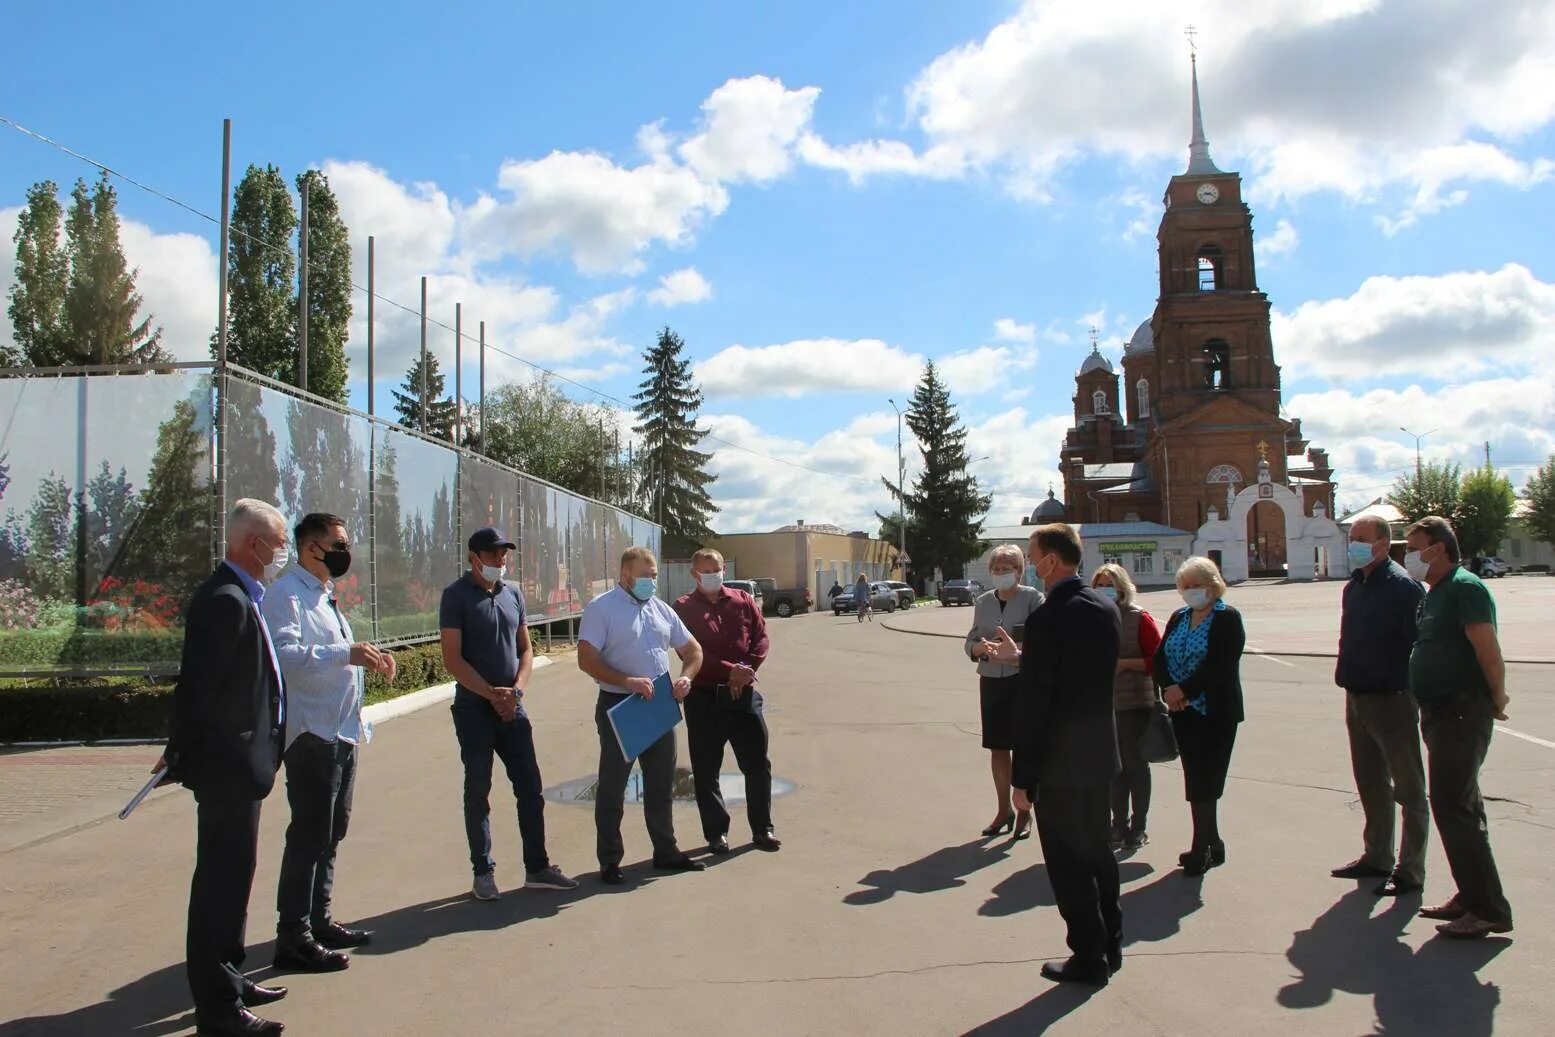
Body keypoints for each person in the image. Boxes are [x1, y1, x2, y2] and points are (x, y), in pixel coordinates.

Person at [156, 499, 291, 1037]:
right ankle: (217, 1010)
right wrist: (181, 753)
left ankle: (232, 979)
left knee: (236, 879)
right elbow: (198, 690)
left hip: (242, 765)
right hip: (226, 768)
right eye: (278, 543)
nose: (281, 553)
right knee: (218, 884)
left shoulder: (243, 596)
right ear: (252, 544)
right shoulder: (224, 600)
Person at [986, 523, 1122, 986]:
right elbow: (1078, 675)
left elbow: (1038, 699)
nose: (1030, 562)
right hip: (1099, 753)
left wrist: (1024, 775)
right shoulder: (1104, 607)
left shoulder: (1049, 616)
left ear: (1053, 561)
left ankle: (1088, 956)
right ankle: (1111, 943)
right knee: (1099, 854)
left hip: (1060, 763)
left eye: (1033, 554)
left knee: (1067, 863)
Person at [263, 513, 395, 974]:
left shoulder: (323, 597)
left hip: (341, 732)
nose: (345, 551)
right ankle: (292, 935)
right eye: (338, 543)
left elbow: (337, 659)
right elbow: (284, 657)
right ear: (310, 548)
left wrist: (369, 661)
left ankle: (319, 920)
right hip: (311, 736)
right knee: (308, 836)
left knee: (331, 834)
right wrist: (348, 653)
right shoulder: (285, 596)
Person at [439, 527, 578, 901]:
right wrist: (489, 693)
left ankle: (538, 867)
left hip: (512, 707)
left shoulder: (512, 593)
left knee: (530, 788)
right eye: (491, 554)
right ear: (473, 557)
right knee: (478, 789)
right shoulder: (455, 596)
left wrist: (515, 691)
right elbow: (452, 657)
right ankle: (483, 872)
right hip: (473, 708)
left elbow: (526, 651)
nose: (499, 560)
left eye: (503, 554)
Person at [1404, 516, 1514, 939]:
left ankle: (1487, 908)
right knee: (1458, 807)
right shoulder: (1436, 593)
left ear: (1439, 548)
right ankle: (1471, 896)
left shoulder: (1465, 588)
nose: (1410, 556)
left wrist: (1497, 696)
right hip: (1440, 712)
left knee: (1454, 807)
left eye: (1415, 547)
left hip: (1462, 711)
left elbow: (1487, 649)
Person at [577, 546, 707, 884]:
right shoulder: (602, 609)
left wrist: (685, 677)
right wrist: (626, 681)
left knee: (661, 785)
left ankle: (666, 852)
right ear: (625, 575)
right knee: (613, 786)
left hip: (660, 705)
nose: (651, 581)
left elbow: (693, 651)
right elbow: (587, 659)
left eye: (654, 576)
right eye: (645, 576)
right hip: (620, 707)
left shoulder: (661, 610)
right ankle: (609, 861)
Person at [1331, 515, 1428, 897]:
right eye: (1352, 538)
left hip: (1393, 699)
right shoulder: (1355, 586)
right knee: (1370, 783)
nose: (1353, 544)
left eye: (1362, 539)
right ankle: (1377, 856)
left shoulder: (1404, 588)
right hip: (1357, 696)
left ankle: (1410, 869)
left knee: (1409, 788)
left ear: (1384, 545)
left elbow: (1419, 645)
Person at [673, 548, 781, 853]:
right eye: (706, 571)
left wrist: (746, 670)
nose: (713, 575)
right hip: (704, 697)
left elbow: (761, 638)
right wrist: (730, 670)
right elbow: (688, 653)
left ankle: (763, 829)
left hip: (744, 695)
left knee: (757, 764)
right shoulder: (682, 608)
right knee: (706, 770)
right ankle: (716, 833)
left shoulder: (742, 600)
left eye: (717, 569)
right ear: (694, 574)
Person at [1155, 556, 1245, 878]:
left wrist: (1185, 690)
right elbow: (1160, 656)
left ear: (1213, 585)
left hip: (1216, 712)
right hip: (1183, 713)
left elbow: (1221, 666)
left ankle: (1200, 847)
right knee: (1195, 778)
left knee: (1209, 778)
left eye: (1198, 586)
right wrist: (1169, 688)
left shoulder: (1227, 618)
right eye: (1186, 586)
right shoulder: (1179, 617)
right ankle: (1212, 842)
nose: (1192, 592)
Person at [963, 544, 1043, 841]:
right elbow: (970, 639)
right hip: (991, 680)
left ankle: (1024, 811)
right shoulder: (983, 601)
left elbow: (1043, 642)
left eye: (1006, 569)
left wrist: (1017, 651)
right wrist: (977, 648)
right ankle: (1003, 810)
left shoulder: (1033, 599)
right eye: (996, 569)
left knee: (1023, 747)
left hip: (1022, 680)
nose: (1000, 574)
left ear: (1020, 572)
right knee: (998, 747)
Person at [1091, 563, 1163, 851]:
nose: (1104, 590)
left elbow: (1158, 659)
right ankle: (1116, 824)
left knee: (1135, 767)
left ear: (1122, 587)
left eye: (1109, 584)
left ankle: (1139, 826)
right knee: (1113, 770)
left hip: (1135, 704)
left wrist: (1125, 664)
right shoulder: (1091, 618)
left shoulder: (1138, 617)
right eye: (1098, 585)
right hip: (1103, 706)